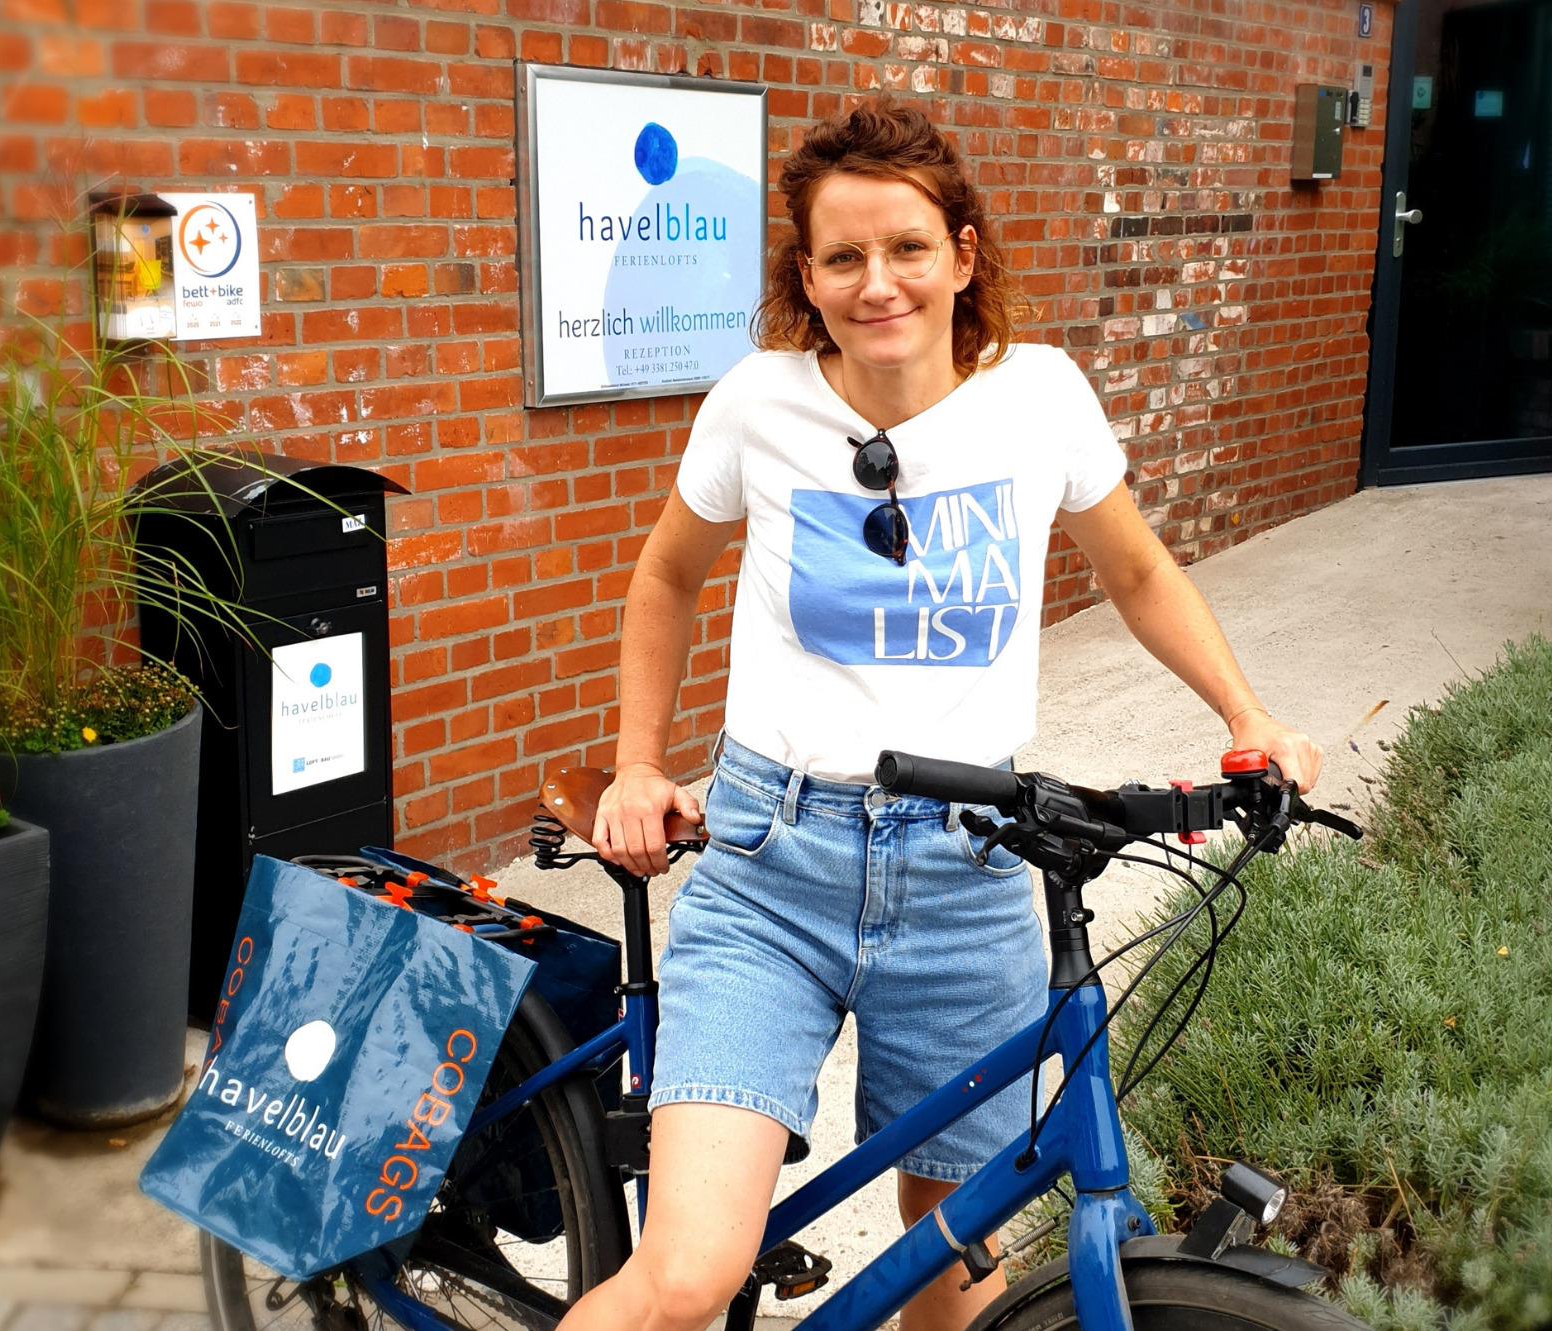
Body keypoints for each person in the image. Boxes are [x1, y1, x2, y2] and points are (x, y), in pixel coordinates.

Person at [559, 99, 1324, 1331]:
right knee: (688, 1275)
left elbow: (1136, 570)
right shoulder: (757, 403)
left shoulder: (1040, 397)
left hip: (969, 867)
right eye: (843, 256)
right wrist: (636, 763)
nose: (878, 283)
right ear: (806, 277)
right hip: (772, 863)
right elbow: (665, 575)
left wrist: (1248, 715)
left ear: (961, 255)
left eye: (907, 247)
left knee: (951, 1257)